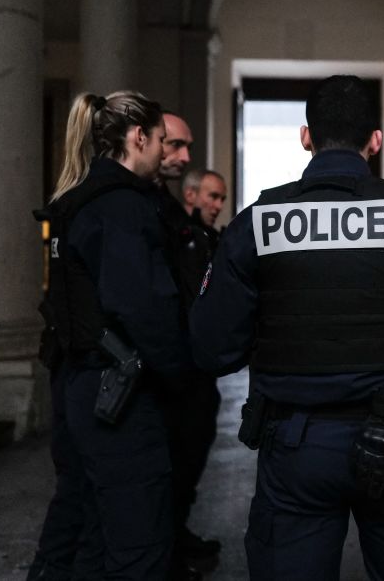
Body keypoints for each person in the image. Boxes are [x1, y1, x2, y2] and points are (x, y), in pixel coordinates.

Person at [190, 75, 384, 581]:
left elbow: (211, 348)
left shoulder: (259, 224)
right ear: (374, 140)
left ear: (306, 137)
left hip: (295, 446)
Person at [28, 91, 191, 580]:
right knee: (139, 545)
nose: (166, 152)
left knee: (93, 535)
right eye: (162, 140)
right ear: (138, 137)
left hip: (82, 387)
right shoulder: (121, 207)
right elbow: (143, 307)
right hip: (117, 395)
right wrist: (184, 374)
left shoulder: (77, 199)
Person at [155, 111, 222, 576]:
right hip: (174, 368)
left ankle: (174, 539)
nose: (219, 204)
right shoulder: (160, 217)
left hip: (194, 366)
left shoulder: (198, 233)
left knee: (188, 460)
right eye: (175, 145)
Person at [182, 168, 227, 233]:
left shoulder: (215, 238)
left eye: (222, 200)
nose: (219, 206)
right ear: (190, 195)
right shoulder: (170, 233)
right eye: (213, 196)